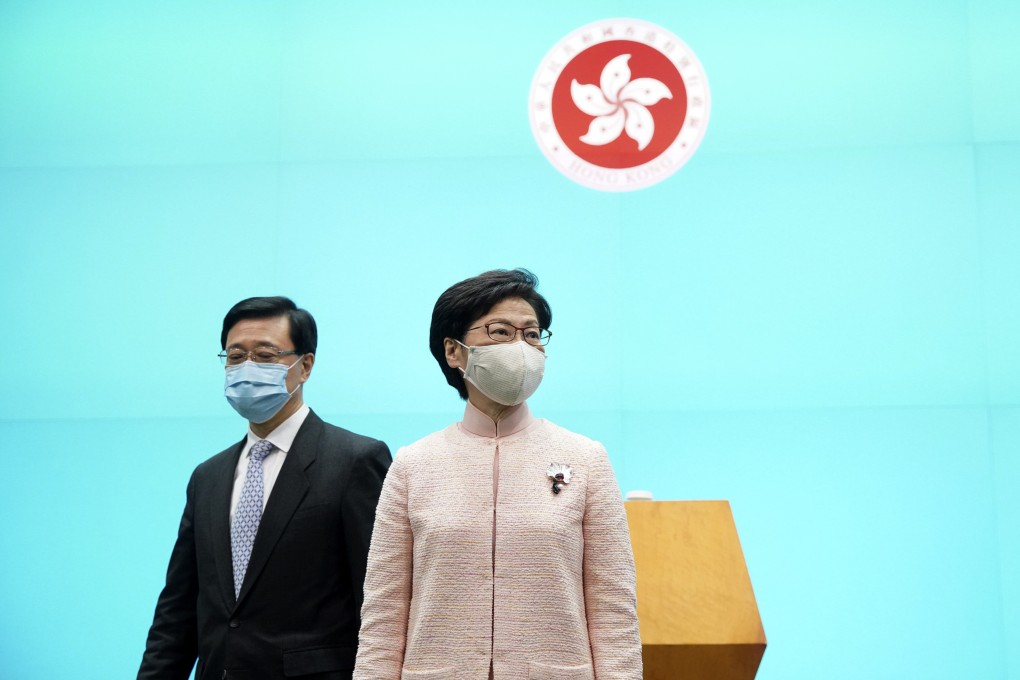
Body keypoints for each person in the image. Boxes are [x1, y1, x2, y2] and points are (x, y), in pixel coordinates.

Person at [354, 270, 642, 680]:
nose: (521, 347)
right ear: (454, 352)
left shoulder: (586, 458)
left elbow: (614, 606)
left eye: (532, 334)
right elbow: (384, 612)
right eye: (501, 331)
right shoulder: (413, 464)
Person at [139, 296, 391, 680]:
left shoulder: (355, 460)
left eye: (265, 356)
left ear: (304, 365)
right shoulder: (208, 477)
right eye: (236, 357)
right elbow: (178, 610)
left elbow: (379, 601)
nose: (247, 368)